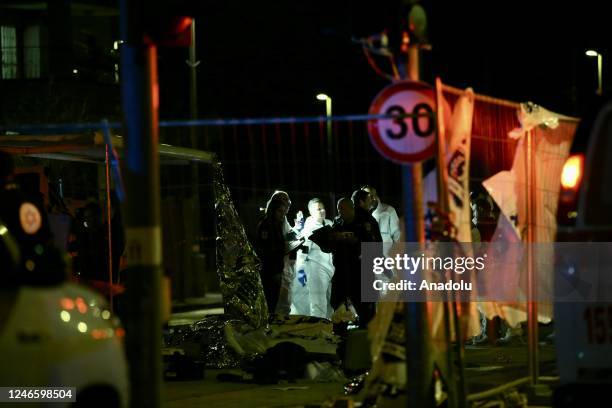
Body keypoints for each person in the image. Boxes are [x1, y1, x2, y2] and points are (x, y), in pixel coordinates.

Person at [293, 198, 335, 319]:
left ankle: (329, 329)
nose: (322, 211)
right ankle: (318, 331)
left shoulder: (329, 224)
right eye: (318, 209)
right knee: (318, 303)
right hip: (315, 269)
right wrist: (301, 272)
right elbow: (302, 253)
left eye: (322, 208)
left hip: (331, 268)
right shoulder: (308, 229)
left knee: (331, 303)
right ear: (311, 212)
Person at [255, 199, 288, 313]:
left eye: (284, 212)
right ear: (273, 210)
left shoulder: (277, 224)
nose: (282, 214)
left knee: (273, 302)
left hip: (276, 269)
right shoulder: (267, 225)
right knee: (269, 302)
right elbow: (266, 250)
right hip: (269, 270)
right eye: (279, 211)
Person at [361, 185, 400, 257]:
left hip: (386, 258)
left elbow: (397, 236)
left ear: (375, 196)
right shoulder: (360, 215)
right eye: (366, 196)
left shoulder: (389, 211)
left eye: (372, 195)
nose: (371, 198)